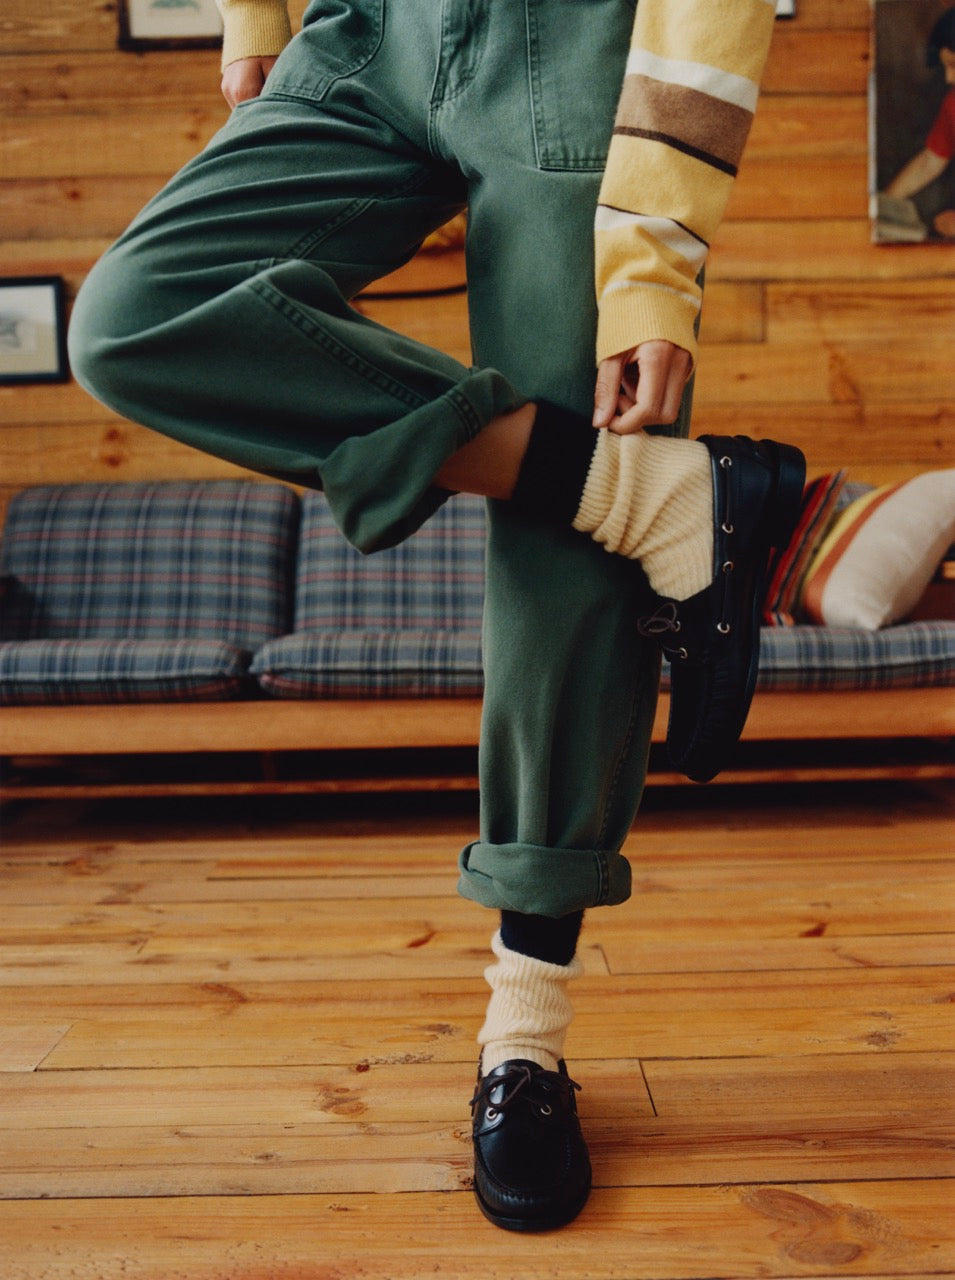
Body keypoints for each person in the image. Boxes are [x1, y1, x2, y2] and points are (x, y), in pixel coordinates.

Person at [68, 0, 804, 1232]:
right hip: (367, 34)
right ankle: (648, 495)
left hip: (569, 50)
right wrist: (254, 18)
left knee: (562, 550)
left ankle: (525, 1034)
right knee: (132, 316)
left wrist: (652, 262)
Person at [882, 5, 955, 239]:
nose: (949, 78)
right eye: (946, 67)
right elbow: (930, 161)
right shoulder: (953, 103)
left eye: (954, 66)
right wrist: (885, 203)